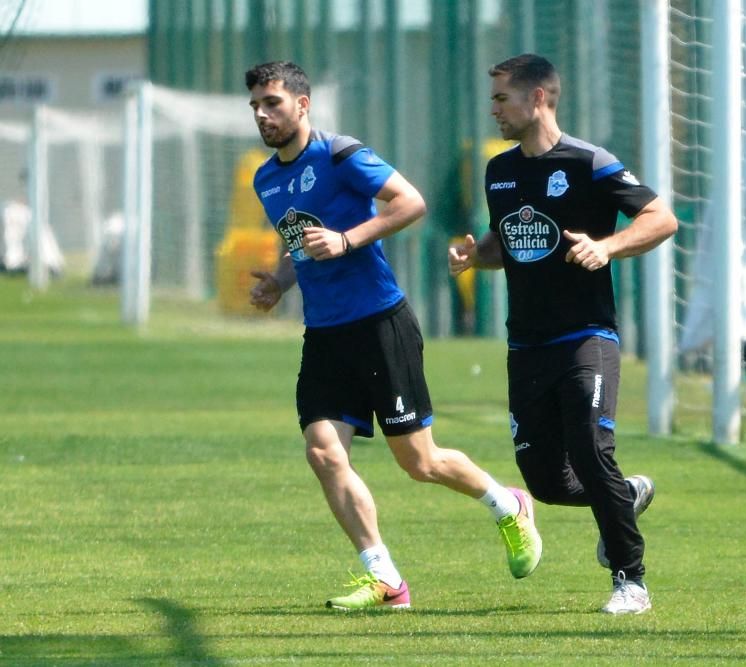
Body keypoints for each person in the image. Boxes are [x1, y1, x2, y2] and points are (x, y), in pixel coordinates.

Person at [244, 61, 541, 611]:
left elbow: (411, 202)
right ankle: (383, 576)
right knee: (323, 452)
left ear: (302, 105)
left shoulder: (340, 155)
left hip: (380, 323)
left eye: (273, 104)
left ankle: (509, 504)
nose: (263, 115)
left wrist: (347, 239)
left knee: (419, 462)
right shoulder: (267, 179)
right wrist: (281, 283)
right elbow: (298, 243)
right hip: (325, 335)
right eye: (257, 106)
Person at [448, 54, 677, 615]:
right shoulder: (499, 171)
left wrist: (608, 246)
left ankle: (631, 581)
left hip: (586, 336)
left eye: (503, 98)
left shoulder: (589, 162)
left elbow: (660, 219)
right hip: (526, 343)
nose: (494, 109)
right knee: (547, 481)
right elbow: (508, 243)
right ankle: (629, 497)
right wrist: (476, 255)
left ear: (539, 99)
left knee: (591, 448)